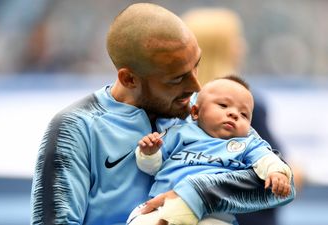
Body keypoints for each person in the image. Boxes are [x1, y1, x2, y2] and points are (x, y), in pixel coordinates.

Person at [30, 3, 295, 225]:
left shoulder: (202, 110)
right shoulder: (75, 127)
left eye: (196, 66)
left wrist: (196, 194)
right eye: (177, 78)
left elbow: (281, 186)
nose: (196, 86)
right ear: (129, 78)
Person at [182, 7, 303, 225]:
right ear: (223, 49)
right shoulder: (245, 107)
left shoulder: (171, 106)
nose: (242, 46)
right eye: (236, 39)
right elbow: (281, 176)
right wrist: (298, 173)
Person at [127, 76, 292, 225]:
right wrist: (149, 152)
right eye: (223, 105)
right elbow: (153, 167)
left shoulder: (247, 143)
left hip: (213, 214)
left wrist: (276, 172)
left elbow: (266, 158)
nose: (234, 114)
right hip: (161, 205)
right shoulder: (178, 133)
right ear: (196, 112)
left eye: (244, 114)